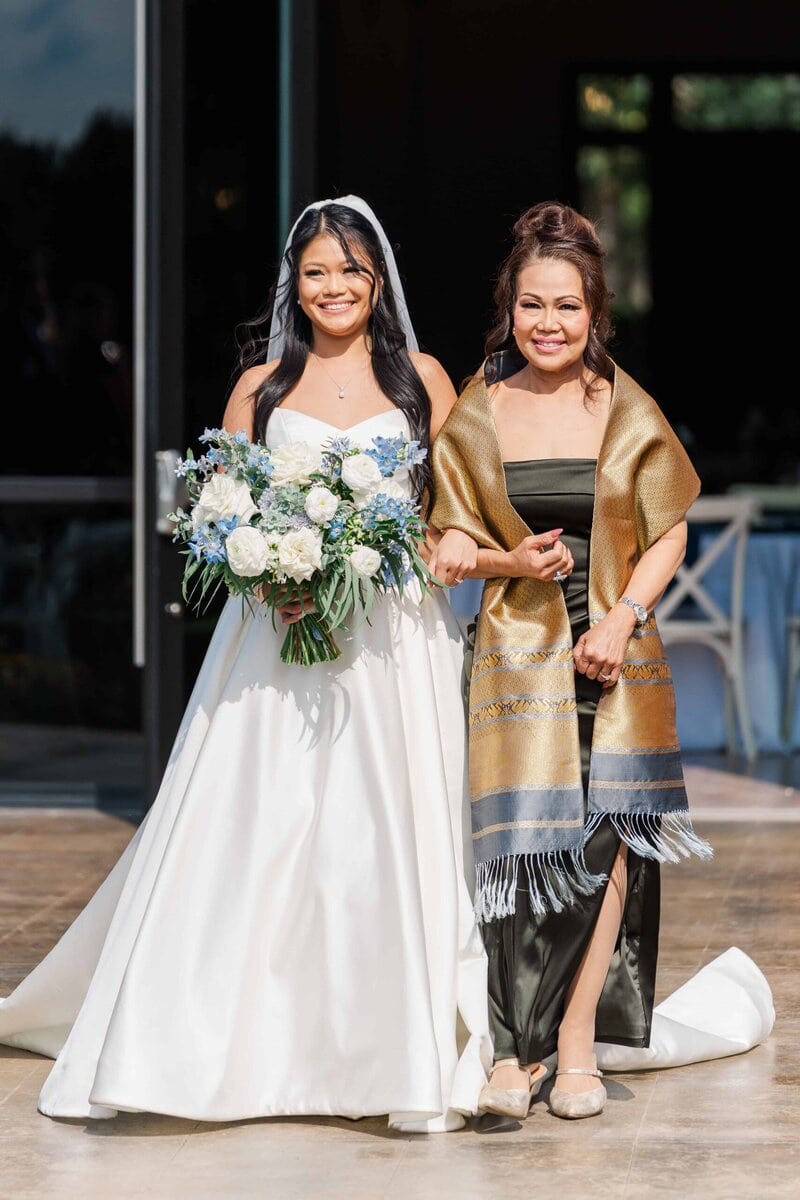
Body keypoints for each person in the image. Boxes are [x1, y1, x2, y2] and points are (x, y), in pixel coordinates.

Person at [0, 195, 491, 1131]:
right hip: (278, 638)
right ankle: (216, 1045)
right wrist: (276, 573)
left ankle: (392, 1053)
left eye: (350, 269)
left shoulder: (425, 377)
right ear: (293, 287)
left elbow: (457, 510)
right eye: (316, 273)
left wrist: (436, 544)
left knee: (383, 832)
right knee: (261, 825)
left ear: (377, 278)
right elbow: (224, 514)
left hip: (392, 640)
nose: (334, 287)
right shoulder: (260, 389)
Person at [427, 200, 716, 1121]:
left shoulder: (625, 406)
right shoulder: (477, 410)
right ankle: (514, 1055)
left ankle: (578, 1038)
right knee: (522, 847)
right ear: (507, 309)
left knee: (605, 839)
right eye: (530, 306)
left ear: (596, 313)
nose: (547, 325)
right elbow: (448, 543)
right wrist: (505, 559)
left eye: (566, 307)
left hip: (612, 654)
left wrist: (623, 616)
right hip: (516, 658)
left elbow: (670, 529)